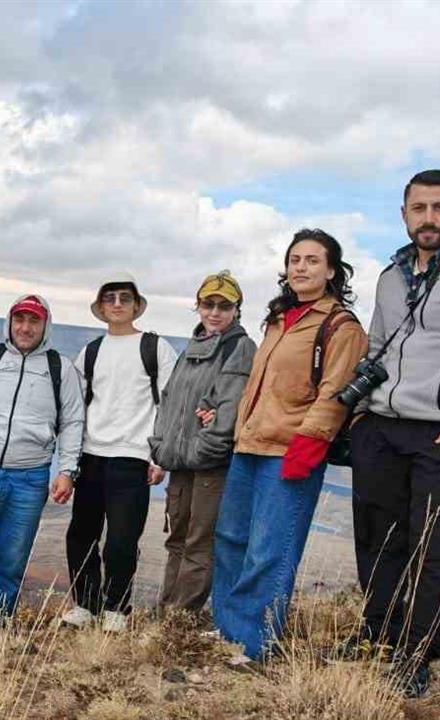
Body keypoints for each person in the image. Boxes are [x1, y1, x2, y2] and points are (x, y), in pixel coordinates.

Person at [213, 229, 368, 662]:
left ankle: (254, 642)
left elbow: (337, 393)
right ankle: (227, 629)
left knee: (269, 549)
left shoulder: (341, 325)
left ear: (331, 271)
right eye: (295, 259)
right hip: (249, 445)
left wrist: (309, 443)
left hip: (292, 451)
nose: (301, 267)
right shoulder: (279, 319)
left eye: (312, 260)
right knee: (230, 539)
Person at [347, 170, 440, 697]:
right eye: (419, 208)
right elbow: (378, 344)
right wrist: (360, 414)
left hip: (433, 431)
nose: (429, 218)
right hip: (380, 427)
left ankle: (417, 652)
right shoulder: (389, 276)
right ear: (404, 214)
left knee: (431, 547)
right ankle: (378, 632)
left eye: (438, 208)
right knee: (379, 538)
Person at [0, 294, 85, 631]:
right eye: (19, 319)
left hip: (29, 477)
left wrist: (66, 471)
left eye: (33, 321)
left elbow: (73, 422)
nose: (25, 327)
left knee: (12, 557)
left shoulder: (59, 368)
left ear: (45, 325)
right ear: (9, 322)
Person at [61, 272, 177, 633]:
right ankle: (86, 605)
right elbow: (75, 404)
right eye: (109, 298)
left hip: (133, 456)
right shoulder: (91, 351)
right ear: (100, 306)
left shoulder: (155, 348)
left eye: (124, 298)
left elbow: (169, 405)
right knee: (81, 535)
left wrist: (158, 458)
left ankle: (117, 609)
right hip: (92, 454)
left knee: (122, 540)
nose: (116, 304)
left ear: (136, 305)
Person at [149, 271, 256, 616]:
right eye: (208, 304)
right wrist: (163, 448)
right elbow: (170, 402)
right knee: (177, 539)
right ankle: (166, 610)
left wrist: (199, 450)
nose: (215, 312)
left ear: (237, 309)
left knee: (199, 543)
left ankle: (180, 617)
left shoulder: (239, 347)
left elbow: (227, 409)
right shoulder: (192, 347)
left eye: (224, 306)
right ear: (198, 306)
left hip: (209, 465)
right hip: (182, 462)